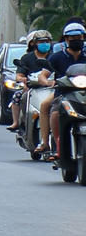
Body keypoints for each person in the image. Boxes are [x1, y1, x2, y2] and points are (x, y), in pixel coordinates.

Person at [36, 22, 86, 157]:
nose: (76, 41)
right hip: (64, 93)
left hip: (84, 93)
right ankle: (51, 144)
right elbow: (43, 75)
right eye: (72, 38)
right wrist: (47, 82)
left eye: (79, 38)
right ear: (66, 39)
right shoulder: (57, 57)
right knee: (52, 110)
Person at [11, 29, 54, 131]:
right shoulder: (27, 58)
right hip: (31, 88)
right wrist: (23, 80)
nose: (44, 44)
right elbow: (18, 76)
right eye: (41, 42)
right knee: (17, 96)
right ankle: (17, 122)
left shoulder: (54, 57)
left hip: (51, 88)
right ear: (35, 43)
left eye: (47, 41)